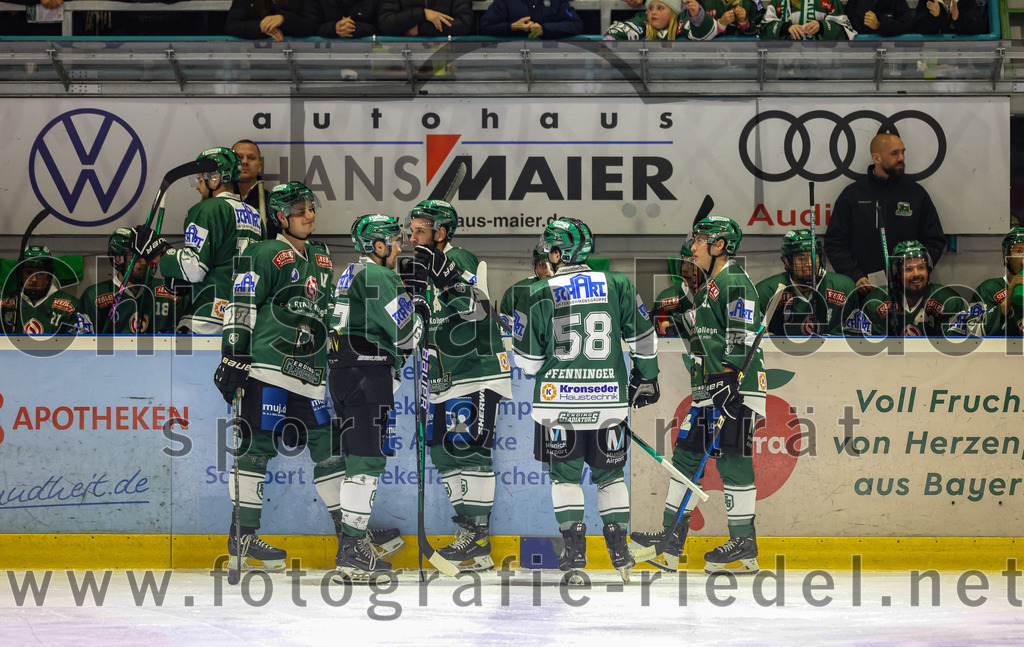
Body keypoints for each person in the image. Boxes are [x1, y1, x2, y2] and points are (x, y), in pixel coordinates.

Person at [511, 218, 659, 583]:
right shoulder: (618, 283)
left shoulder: (538, 292)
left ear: (558, 253)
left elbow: (528, 364)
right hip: (608, 400)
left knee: (565, 479)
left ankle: (575, 551)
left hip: (558, 404)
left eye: (549, 250)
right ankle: (620, 550)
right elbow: (643, 337)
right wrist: (646, 376)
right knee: (610, 477)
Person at [630, 216, 766, 575]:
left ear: (719, 245)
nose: (693, 247)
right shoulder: (709, 288)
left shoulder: (734, 280)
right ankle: (670, 539)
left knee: (733, 461)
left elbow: (741, 333)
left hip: (736, 388)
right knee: (686, 457)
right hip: (710, 391)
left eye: (700, 240)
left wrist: (730, 377)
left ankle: (744, 543)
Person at [212, 182, 336, 574]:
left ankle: (351, 535)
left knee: (330, 448)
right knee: (256, 450)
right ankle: (244, 536)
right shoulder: (263, 253)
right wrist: (234, 353)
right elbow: (241, 302)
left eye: (310, 208)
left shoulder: (323, 258)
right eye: (299, 210)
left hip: (310, 375)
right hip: (268, 369)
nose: (309, 215)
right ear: (280, 217)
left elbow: (328, 310)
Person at [403, 199, 512, 573]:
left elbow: (476, 310)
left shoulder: (459, 258)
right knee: (441, 453)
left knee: (470, 452)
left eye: (420, 231)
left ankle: (478, 536)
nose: (412, 238)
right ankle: (471, 537)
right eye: (411, 231)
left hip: (474, 370)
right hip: (443, 376)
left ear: (441, 233)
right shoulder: (419, 268)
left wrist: (444, 277)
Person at [326, 213, 419, 579]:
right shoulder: (379, 276)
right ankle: (352, 549)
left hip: (345, 373)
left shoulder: (350, 273)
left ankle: (352, 544)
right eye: (394, 241)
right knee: (367, 463)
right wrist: (421, 310)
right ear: (377, 245)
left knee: (359, 461)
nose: (400, 247)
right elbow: (408, 333)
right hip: (366, 374)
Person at [132, 147, 264, 335]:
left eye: (200, 179)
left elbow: (194, 268)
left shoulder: (208, 209)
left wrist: (160, 252)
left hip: (207, 318)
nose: (197, 187)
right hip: (244, 321)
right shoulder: (256, 216)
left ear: (215, 178)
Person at [825, 133, 946, 297]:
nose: (901, 158)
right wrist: (854, 275)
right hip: (865, 290)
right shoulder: (853, 194)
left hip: (909, 290)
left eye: (903, 152)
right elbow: (834, 242)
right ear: (877, 158)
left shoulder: (916, 194)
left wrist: (915, 271)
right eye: (895, 153)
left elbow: (935, 240)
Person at [77, 227, 188, 335]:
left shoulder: (171, 293)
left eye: (146, 256)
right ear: (118, 259)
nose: (144, 262)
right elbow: (83, 343)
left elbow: (187, 338)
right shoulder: (94, 297)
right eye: (137, 256)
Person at [755, 229, 858, 337]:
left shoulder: (843, 287)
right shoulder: (767, 292)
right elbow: (758, 337)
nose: (809, 263)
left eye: (814, 257)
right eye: (801, 258)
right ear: (787, 262)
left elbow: (854, 335)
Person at [859, 240, 969, 337]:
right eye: (908, 269)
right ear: (897, 274)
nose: (916, 274)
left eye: (921, 267)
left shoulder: (947, 300)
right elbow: (873, 350)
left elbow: (952, 349)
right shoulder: (876, 301)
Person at [1, 246, 79, 336]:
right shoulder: (3, 304)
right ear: (20, 274)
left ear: (49, 276)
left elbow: (82, 341)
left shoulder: (70, 306)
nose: (34, 279)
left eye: (40, 274)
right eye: (29, 272)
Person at [971, 228, 1024, 337]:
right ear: (1006, 257)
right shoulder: (988, 289)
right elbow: (972, 332)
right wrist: (1007, 301)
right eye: (1019, 251)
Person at [651, 242, 700, 338]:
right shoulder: (666, 299)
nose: (684, 269)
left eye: (691, 264)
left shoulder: (718, 296)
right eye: (683, 262)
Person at [604, 0, 716, 40]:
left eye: (660, 8)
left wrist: (697, 16)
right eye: (650, 8)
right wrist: (611, 40)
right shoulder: (644, 20)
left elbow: (701, 34)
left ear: (673, 12)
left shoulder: (682, 20)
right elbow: (627, 27)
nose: (653, 12)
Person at [478, 0, 583, 39]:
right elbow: (486, 26)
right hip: (514, 61)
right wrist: (512, 27)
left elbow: (575, 24)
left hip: (551, 59)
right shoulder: (505, 1)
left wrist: (544, 29)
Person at [760, 0, 856, 40]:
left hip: (823, 66)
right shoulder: (777, 2)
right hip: (785, 66)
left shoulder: (828, 1)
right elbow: (764, 28)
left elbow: (845, 29)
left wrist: (822, 26)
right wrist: (785, 27)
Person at [225, 0, 319, 40]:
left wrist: (284, 19)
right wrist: (262, 26)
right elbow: (231, 26)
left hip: (299, 56)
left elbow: (313, 25)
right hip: (257, 59)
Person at [377, 0, 473, 37]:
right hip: (402, 58)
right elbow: (386, 24)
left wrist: (421, 29)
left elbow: (464, 24)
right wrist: (423, 13)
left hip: (445, 57)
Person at [232, 140, 268, 220]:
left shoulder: (271, 203)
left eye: (251, 158)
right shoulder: (219, 199)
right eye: (239, 157)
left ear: (259, 166)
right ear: (230, 164)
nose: (245, 162)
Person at [915, 0, 989, 36]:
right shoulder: (927, 1)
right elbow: (919, 28)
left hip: (961, 51)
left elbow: (979, 28)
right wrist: (935, 17)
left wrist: (957, 18)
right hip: (934, 50)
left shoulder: (967, 2)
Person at [696, 0, 765, 37]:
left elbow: (762, 31)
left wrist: (744, 22)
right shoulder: (700, 2)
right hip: (708, 52)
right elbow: (695, 32)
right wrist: (719, 24)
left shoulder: (752, 2)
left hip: (744, 53)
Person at [845, 0, 913, 36]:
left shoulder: (896, 2)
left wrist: (879, 25)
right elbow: (848, 24)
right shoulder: (855, 2)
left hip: (890, 49)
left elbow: (907, 25)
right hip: (861, 50)